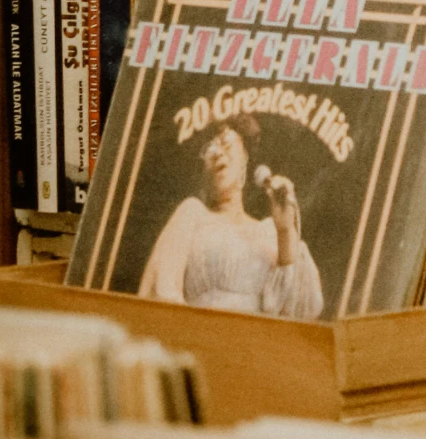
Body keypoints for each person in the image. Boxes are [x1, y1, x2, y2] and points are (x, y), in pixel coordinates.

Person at [139, 113, 325, 319]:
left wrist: (285, 230)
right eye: (210, 150)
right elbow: (162, 291)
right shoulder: (192, 214)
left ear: (246, 162)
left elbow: (295, 311)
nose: (218, 153)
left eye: (226, 145)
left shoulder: (268, 232)